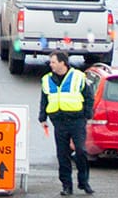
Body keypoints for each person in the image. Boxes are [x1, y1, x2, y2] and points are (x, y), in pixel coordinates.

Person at [39, 53, 93, 195]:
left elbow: (88, 96)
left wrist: (87, 115)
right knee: (62, 155)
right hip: (59, 120)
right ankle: (66, 186)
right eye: (50, 62)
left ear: (63, 63)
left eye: (53, 62)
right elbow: (44, 99)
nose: (51, 65)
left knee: (81, 151)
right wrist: (42, 118)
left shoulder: (78, 77)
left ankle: (83, 181)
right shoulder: (46, 79)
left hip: (77, 119)